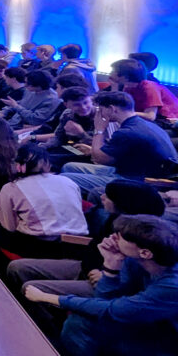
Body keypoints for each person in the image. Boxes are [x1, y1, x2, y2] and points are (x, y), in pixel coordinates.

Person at [23, 215, 178, 356]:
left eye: (121, 237)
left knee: (80, 324)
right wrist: (111, 267)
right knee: (81, 321)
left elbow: (113, 310)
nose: (113, 238)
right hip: (151, 322)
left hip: (168, 340)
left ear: (145, 252)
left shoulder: (171, 286)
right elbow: (104, 298)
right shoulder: (136, 261)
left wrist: (47, 297)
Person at [61, 92, 178, 196]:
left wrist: (99, 128)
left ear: (111, 109)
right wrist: (92, 149)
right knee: (69, 166)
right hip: (134, 171)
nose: (99, 114)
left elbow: (99, 158)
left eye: (100, 110)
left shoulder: (126, 132)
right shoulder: (145, 124)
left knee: (66, 178)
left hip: (137, 180)